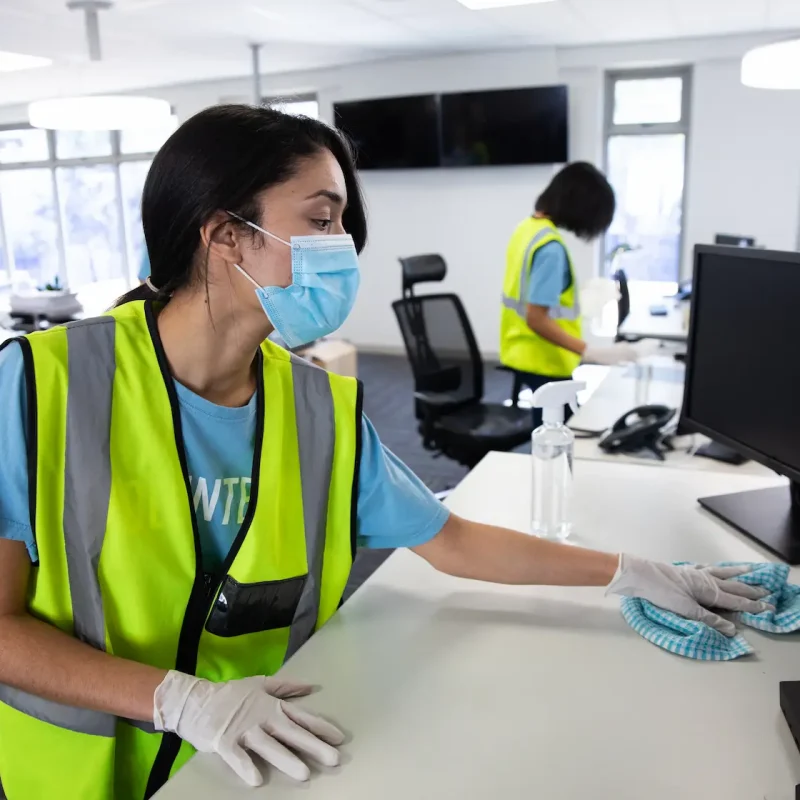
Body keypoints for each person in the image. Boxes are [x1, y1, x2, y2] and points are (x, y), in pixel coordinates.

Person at [0, 107, 772, 800]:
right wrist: (180, 700)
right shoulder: (43, 384)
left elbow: (455, 540)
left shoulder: (315, 406)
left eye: (344, 226)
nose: (344, 247)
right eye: (322, 218)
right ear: (224, 232)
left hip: (259, 761)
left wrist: (633, 571)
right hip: (83, 774)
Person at [500, 162, 636, 426]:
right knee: (564, 441)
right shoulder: (550, 247)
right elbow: (536, 318)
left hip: (520, 350)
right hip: (546, 361)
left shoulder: (527, 229)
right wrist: (591, 352)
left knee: (555, 436)